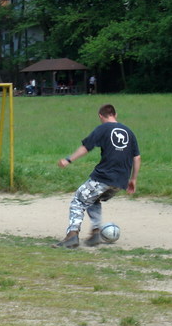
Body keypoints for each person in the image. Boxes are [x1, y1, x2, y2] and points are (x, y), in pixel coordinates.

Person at [54, 104, 141, 248]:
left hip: (104, 177)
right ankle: (95, 234)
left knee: (78, 200)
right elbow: (137, 157)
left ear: (101, 116)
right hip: (120, 181)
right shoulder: (129, 132)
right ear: (115, 114)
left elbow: (86, 147)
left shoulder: (103, 128)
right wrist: (133, 179)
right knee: (93, 200)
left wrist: (68, 160)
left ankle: (72, 236)